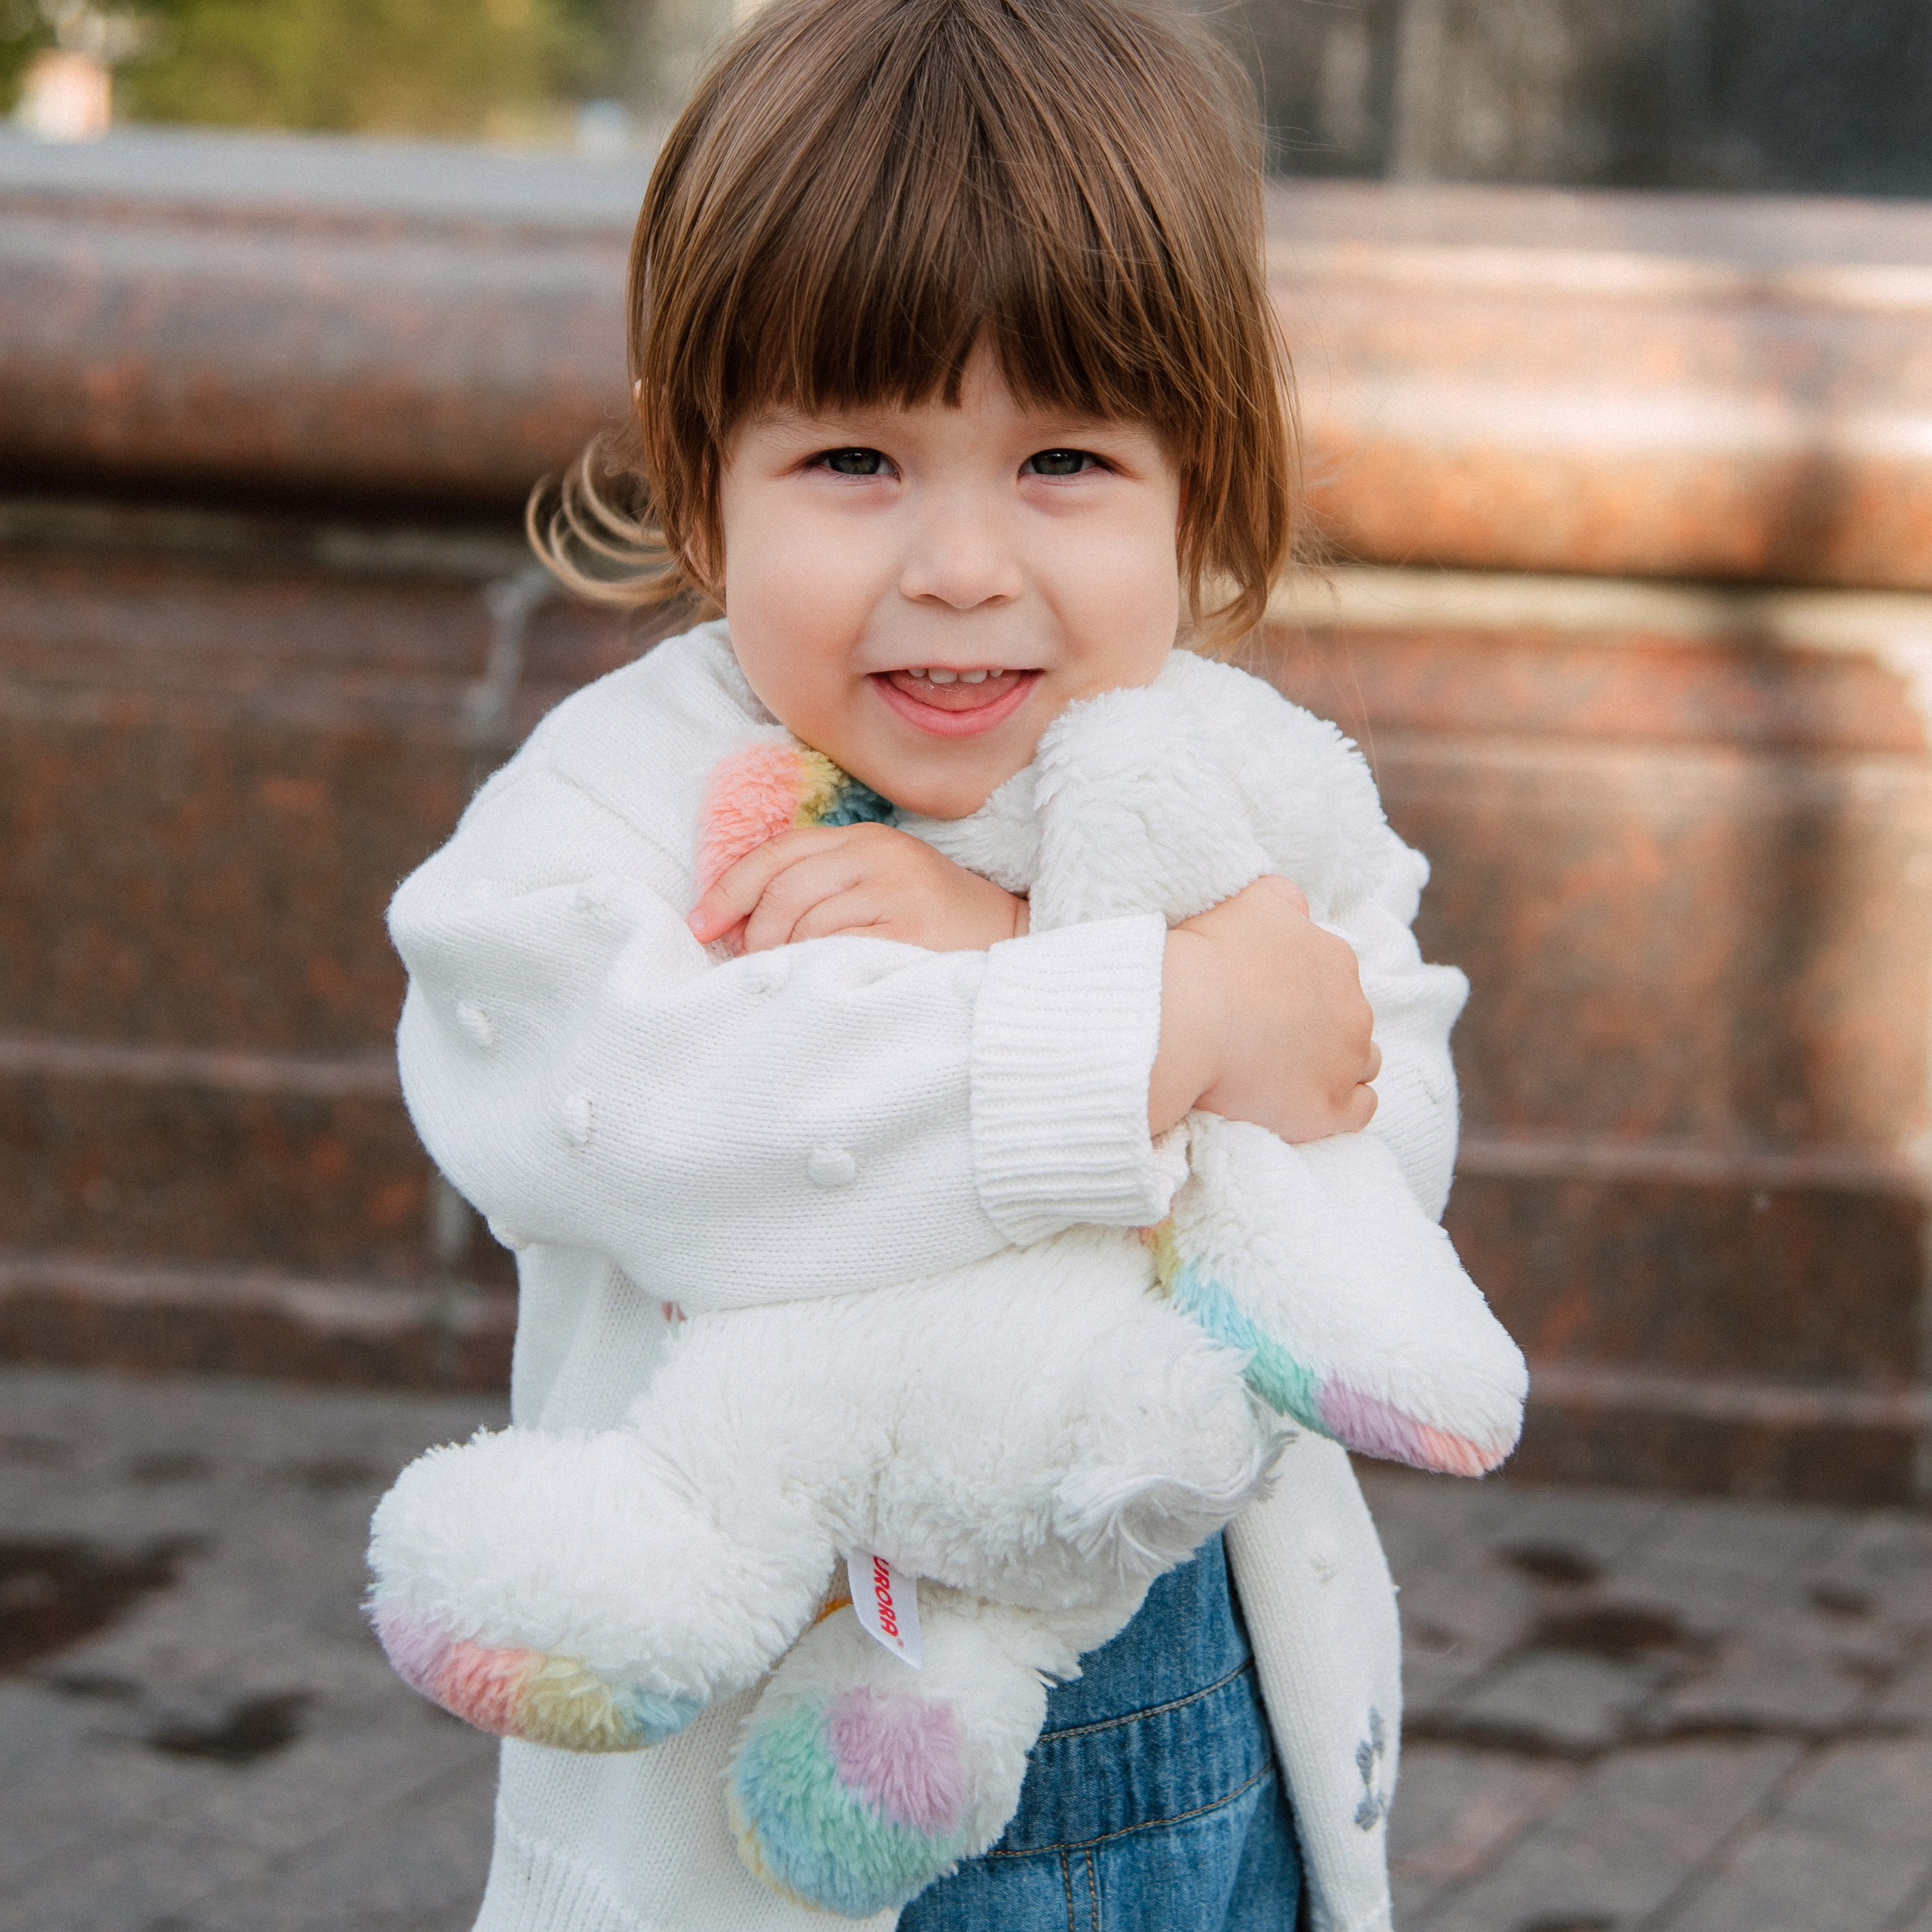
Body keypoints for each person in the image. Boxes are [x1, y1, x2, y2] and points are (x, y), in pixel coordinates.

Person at [386, 1, 1467, 1927]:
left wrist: (1041, 952)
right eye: (856, 461)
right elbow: (630, 1112)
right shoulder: (623, 800)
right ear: (699, 470)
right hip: (755, 1825)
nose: (959, 561)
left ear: (1192, 484)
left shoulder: (1230, 777)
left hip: (1206, 1740)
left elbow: (1372, 1120)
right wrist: (1159, 1019)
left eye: (1059, 458)